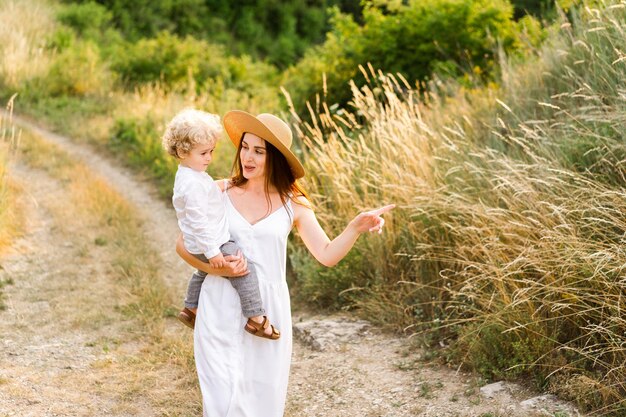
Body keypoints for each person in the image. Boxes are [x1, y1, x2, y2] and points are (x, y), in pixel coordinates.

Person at [175, 110, 394, 417]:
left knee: (262, 399)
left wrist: (354, 228)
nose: (248, 157)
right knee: (221, 396)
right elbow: (183, 244)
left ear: (275, 157)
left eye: (259, 151)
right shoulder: (219, 191)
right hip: (219, 303)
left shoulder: (294, 204)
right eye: (245, 147)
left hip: (269, 309)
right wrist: (218, 268)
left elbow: (327, 254)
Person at [162, 108, 279, 339]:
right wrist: (214, 252)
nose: (209, 158)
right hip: (211, 242)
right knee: (243, 268)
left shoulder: (189, 174)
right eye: (203, 153)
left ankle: (191, 308)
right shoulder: (193, 184)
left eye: (211, 151)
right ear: (183, 152)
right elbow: (198, 223)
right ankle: (256, 318)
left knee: (201, 273)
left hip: (204, 242)